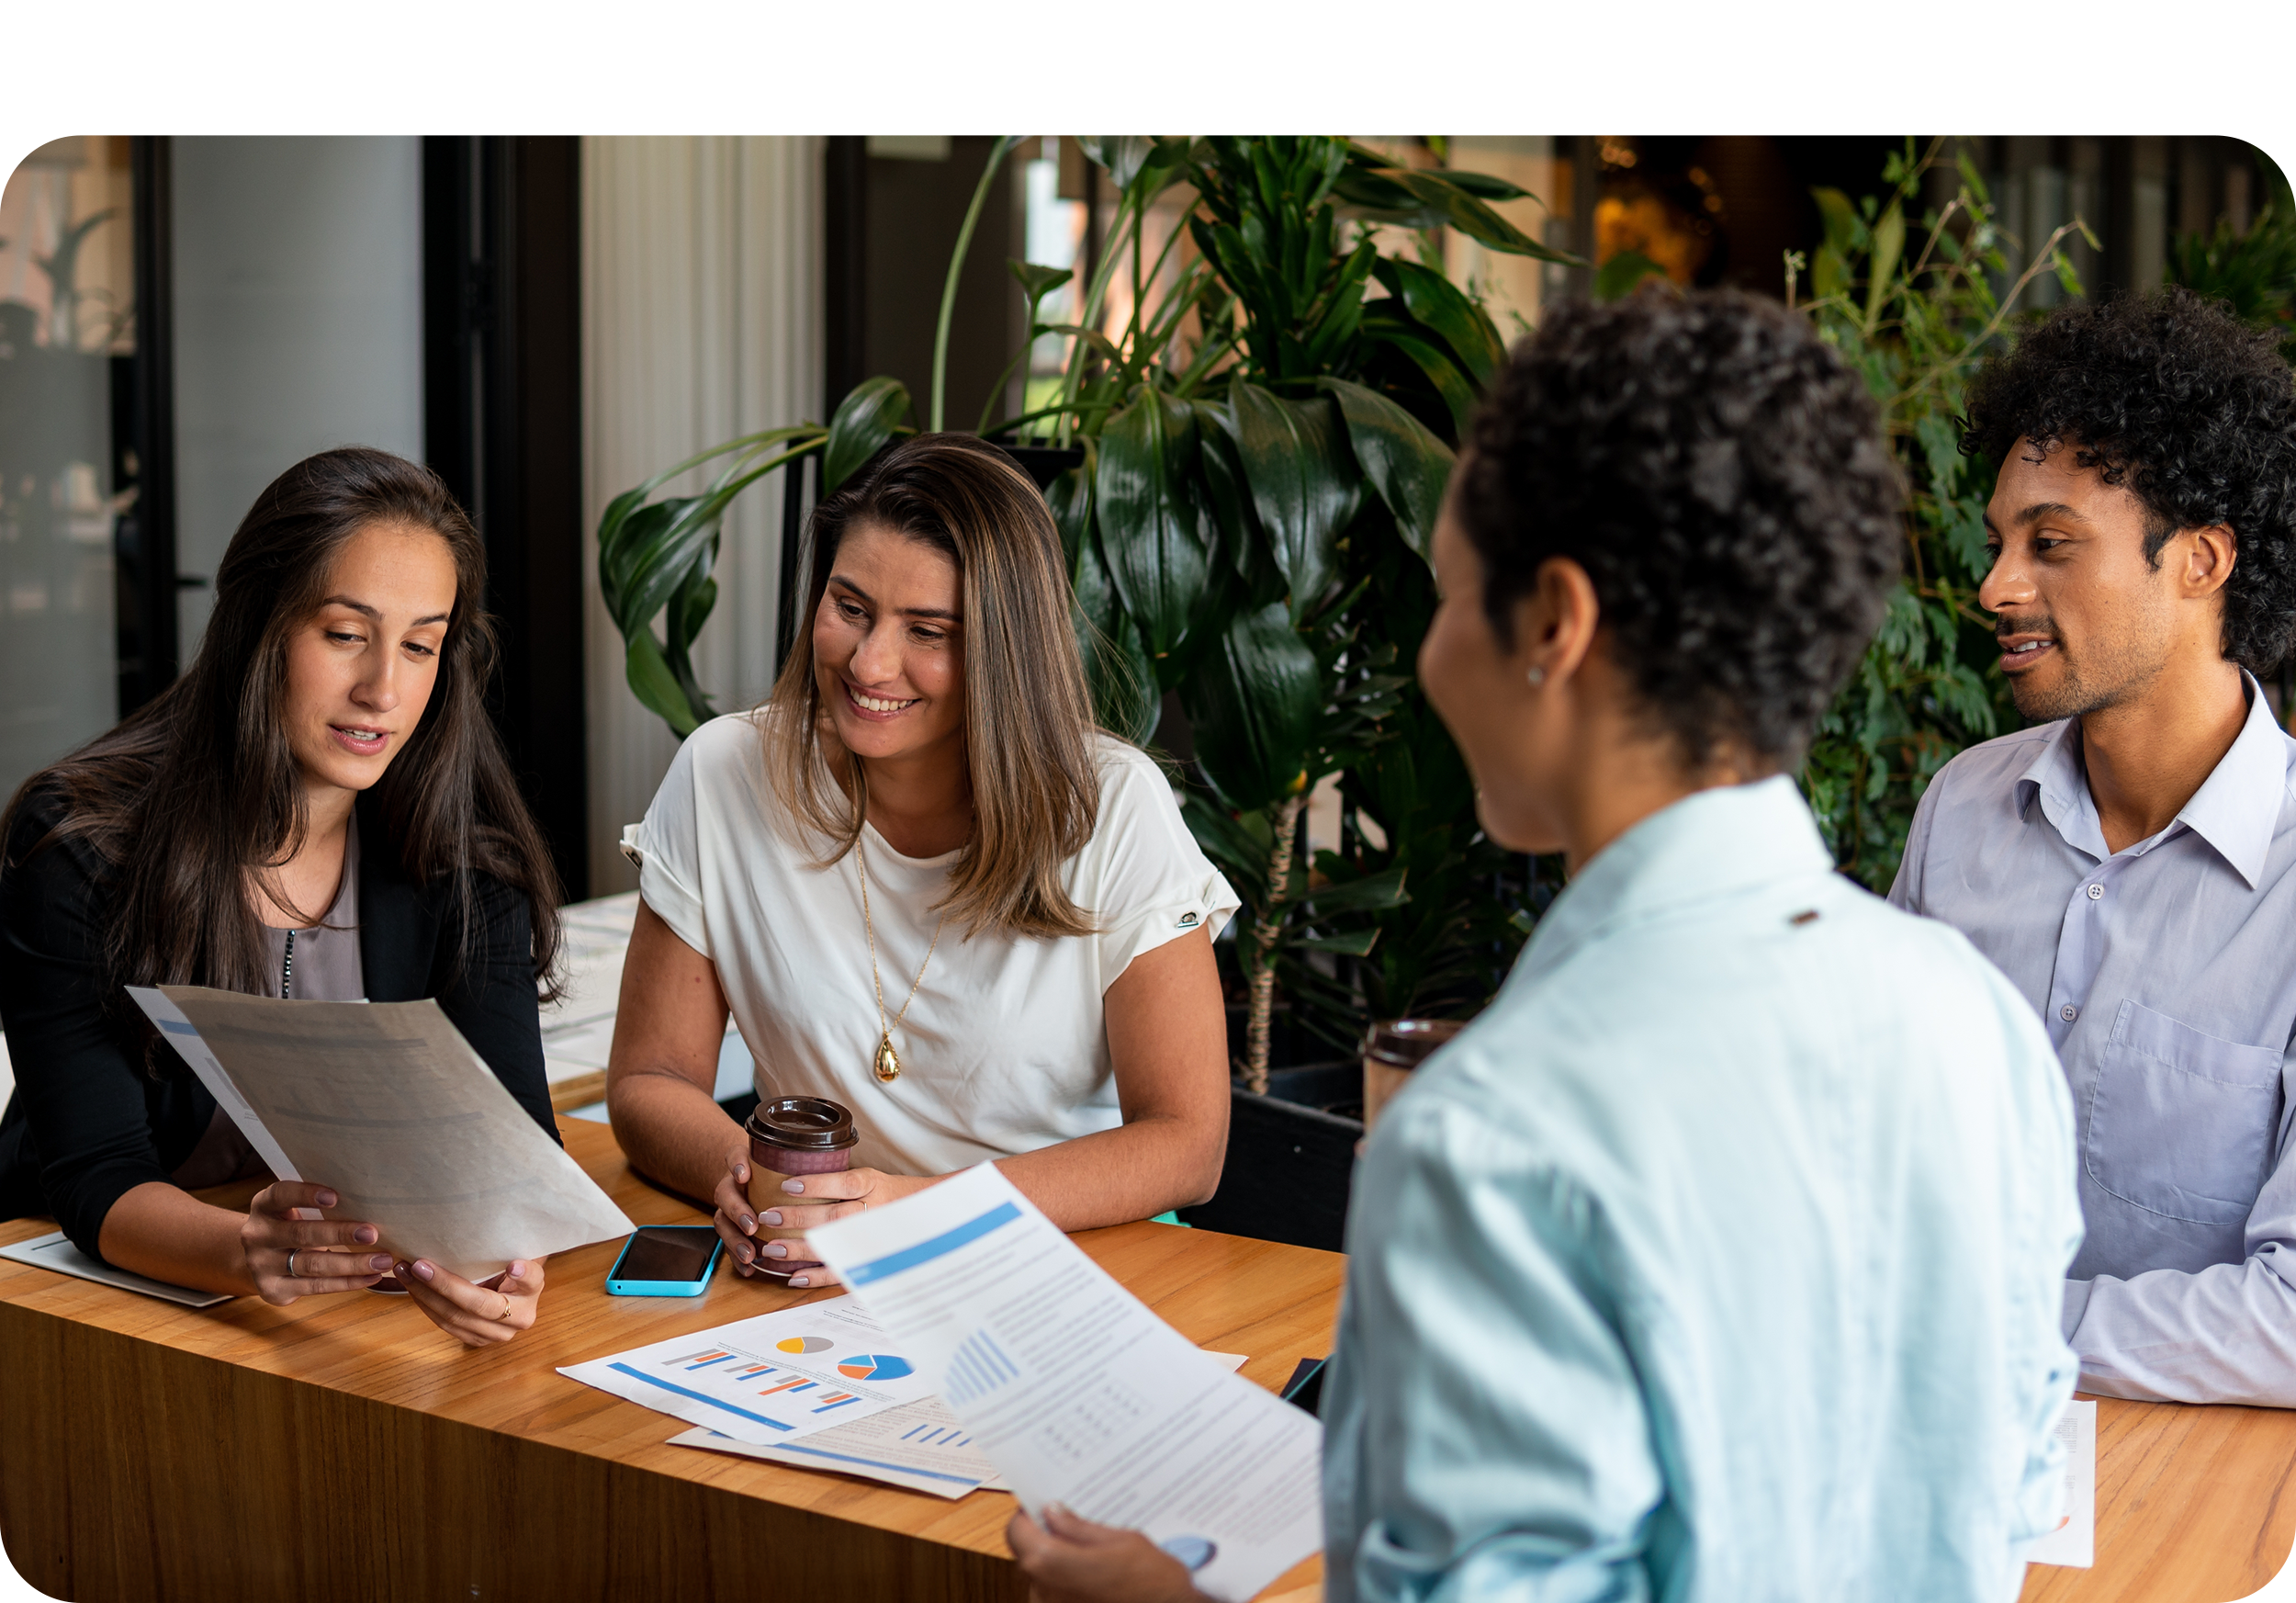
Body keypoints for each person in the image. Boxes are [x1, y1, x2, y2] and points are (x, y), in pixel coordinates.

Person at [1007, 290, 2085, 1602]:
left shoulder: (1491, 1136)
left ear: (1554, 625)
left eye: (1452, 592)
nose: (1429, 651)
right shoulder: (1974, 1022)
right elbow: (2005, 1500)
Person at [607, 433, 1233, 1285]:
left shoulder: (1113, 805)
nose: (869, 663)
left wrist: (911, 1212)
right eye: (850, 606)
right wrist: (758, 1182)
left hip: (1070, 1264)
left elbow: (1188, 1145)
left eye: (927, 630)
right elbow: (649, 1081)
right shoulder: (723, 773)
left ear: (1003, 652)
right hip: (818, 1276)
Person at [0, 447, 566, 1346]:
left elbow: (515, 1157)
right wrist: (251, 1253)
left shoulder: (464, 865)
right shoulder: (81, 845)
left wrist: (503, 1259)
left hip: (347, 1309)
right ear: (258, 623)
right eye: (346, 633)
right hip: (105, 1304)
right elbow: (96, 1174)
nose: (383, 687)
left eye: (419, 644)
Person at [1889, 288, 2296, 1407]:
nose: (1995, 587)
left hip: (2192, 1509)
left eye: (2051, 544)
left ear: (2201, 562)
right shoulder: (1961, 809)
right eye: (1999, 544)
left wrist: (1990, 1330)